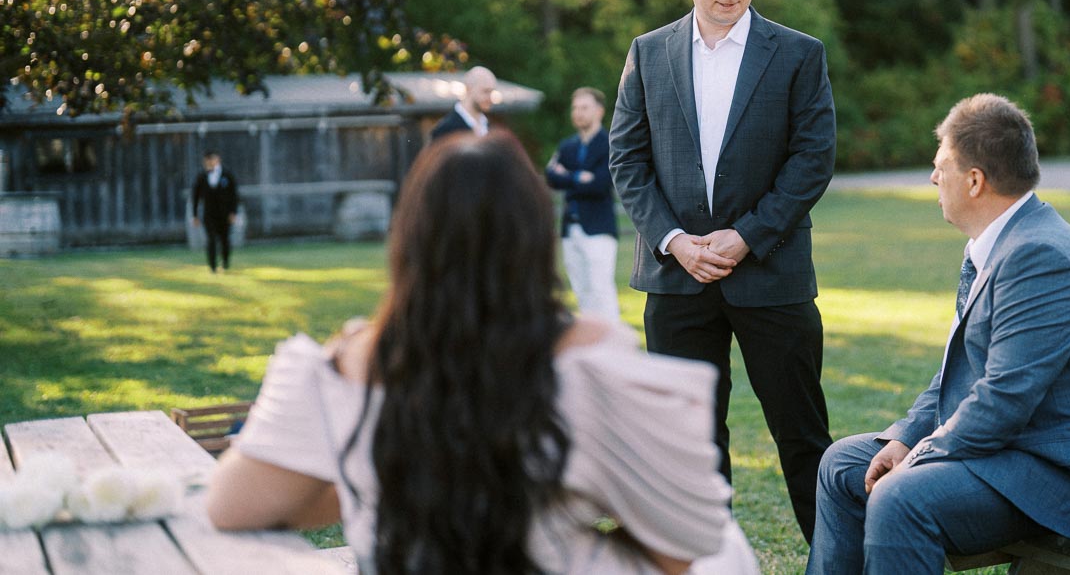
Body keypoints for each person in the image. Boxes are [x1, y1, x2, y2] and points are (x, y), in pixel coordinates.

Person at [206, 132, 758, 575]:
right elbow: (682, 551)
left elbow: (230, 506)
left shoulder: (342, 367)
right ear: (534, 241)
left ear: (409, 240)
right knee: (726, 551)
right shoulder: (593, 366)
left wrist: (368, 475)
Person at [808, 94, 1070, 574]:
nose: (933, 178)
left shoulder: (1041, 258)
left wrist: (919, 457)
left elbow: (1003, 399)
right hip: (1005, 455)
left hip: (1060, 477)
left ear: (974, 181)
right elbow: (957, 368)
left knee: (899, 499)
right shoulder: (999, 242)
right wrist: (905, 437)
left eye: (941, 167)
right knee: (841, 464)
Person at [609, 0, 836, 542]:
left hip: (772, 277)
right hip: (676, 281)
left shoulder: (799, 54)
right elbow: (626, 160)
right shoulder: (647, 53)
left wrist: (747, 237)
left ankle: (838, 560)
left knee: (803, 437)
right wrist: (674, 241)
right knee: (688, 448)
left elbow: (812, 159)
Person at [546, 87, 622, 321]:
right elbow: (551, 177)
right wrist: (580, 177)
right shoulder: (567, 146)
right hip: (570, 228)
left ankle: (613, 347)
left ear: (599, 111)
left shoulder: (610, 143)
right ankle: (592, 348)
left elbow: (600, 183)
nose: (578, 113)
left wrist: (568, 176)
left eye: (584, 107)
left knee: (601, 289)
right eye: (575, 108)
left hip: (598, 227)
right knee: (581, 291)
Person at [191, 150, 239, 273]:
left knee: (224, 240)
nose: (210, 162)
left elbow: (234, 195)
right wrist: (195, 215)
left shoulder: (227, 175)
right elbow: (195, 196)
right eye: (208, 160)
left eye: (212, 159)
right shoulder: (201, 177)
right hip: (209, 215)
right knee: (211, 240)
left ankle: (225, 262)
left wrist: (233, 212)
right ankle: (212, 266)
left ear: (217, 160)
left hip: (225, 214)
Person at [430, 65, 496, 139]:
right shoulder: (446, 129)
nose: (490, 98)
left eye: (491, 92)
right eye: (485, 91)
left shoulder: (489, 127)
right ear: (468, 89)